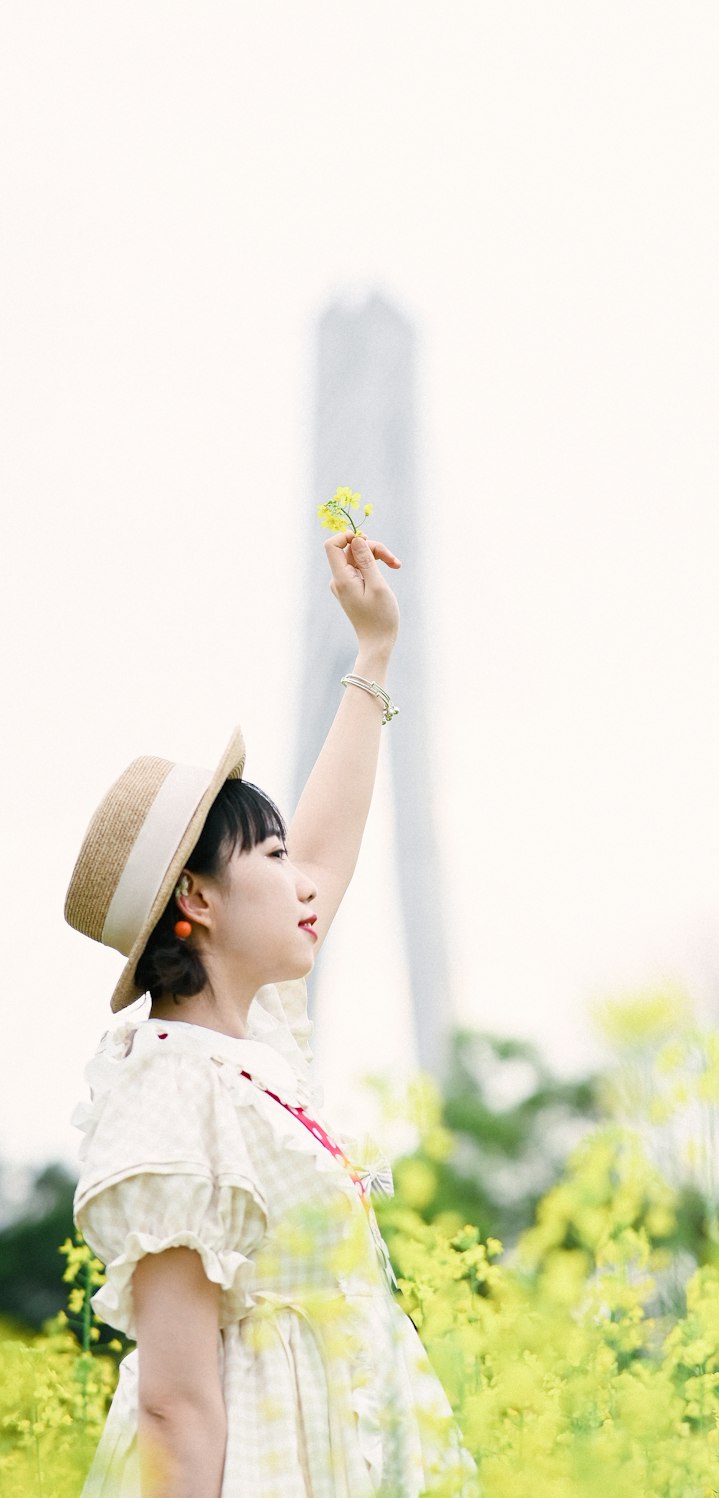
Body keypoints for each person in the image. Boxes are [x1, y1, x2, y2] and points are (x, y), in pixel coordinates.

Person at [64, 528, 478, 1498]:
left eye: (293, 859)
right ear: (198, 901)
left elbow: (328, 849)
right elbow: (175, 1404)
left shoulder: (251, 1049)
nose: (307, 884)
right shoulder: (168, 1089)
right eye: (272, 858)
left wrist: (370, 654)